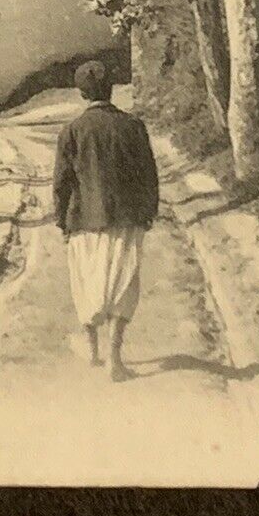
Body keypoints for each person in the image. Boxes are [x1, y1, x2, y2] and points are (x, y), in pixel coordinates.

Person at [52, 60, 160, 381]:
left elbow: (62, 182)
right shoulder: (133, 127)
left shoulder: (72, 131)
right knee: (123, 283)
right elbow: (149, 175)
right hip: (127, 217)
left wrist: (61, 220)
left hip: (85, 219)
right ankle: (115, 358)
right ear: (111, 90)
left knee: (87, 282)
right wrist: (149, 211)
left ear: (81, 94)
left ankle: (94, 352)